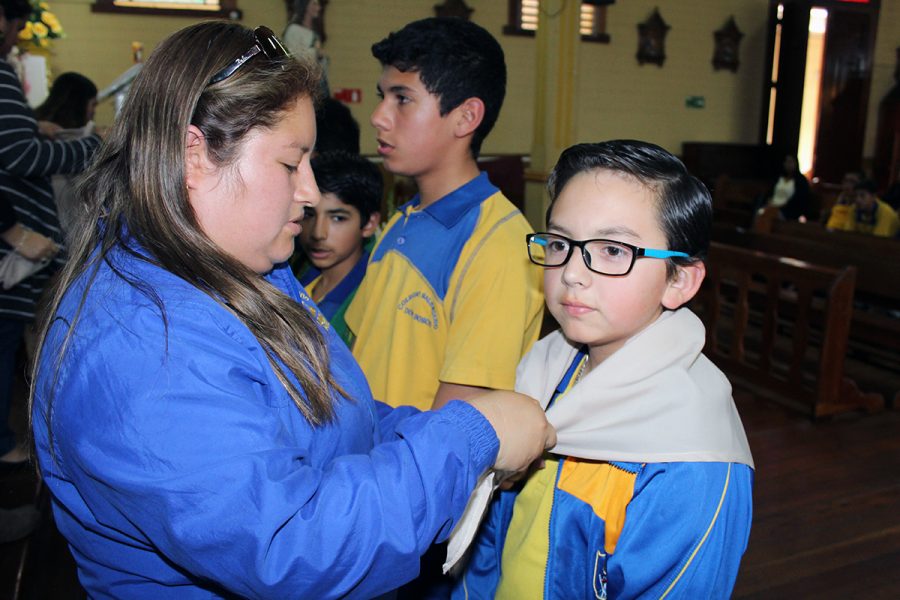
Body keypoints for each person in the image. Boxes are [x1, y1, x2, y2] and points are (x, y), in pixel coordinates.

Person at [29, 22, 555, 598]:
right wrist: (467, 437)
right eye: (290, 164)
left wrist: (445, 435)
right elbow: (291, 543)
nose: (309, 192)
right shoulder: (147, 342)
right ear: (194, 156)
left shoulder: (242, 264)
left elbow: (334, 418)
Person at [452, 140, 755, 599]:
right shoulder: (543, 371)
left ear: (680, 280)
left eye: (613, 250)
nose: (572, 272)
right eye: (559, 243)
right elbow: (489, 539)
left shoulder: (694, 458)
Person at [345, 17, 544, 412]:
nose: (378, 116)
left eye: (402, 99)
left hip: (405, 471)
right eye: (381, 95)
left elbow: (455, 430)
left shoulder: (499, 246)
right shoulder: (402, 221)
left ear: (466, 117)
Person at [0, 0, 100, 467]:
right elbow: (18, 158)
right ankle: (10, 446)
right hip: (22, 253)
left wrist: (34, 133)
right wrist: (91, 147)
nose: (16, 34)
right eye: (15, 22)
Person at [295, 150, 381, 346]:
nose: (318, 233)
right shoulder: (293, 277)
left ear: (369, 224)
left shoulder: (371, 298)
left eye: (337, 218)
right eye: (309, 215)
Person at [33, 71, 100, 238]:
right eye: (92, 104)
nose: (93, 112)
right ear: (78, 104)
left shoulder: (33, 130)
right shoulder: (76, 144)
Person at [826, 178, 900, 237]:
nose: (858, 200)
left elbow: (879, 243)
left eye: (862, 196)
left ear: (873, 197)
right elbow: (848, 235)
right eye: (856, 196)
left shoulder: (886, 213)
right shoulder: (853, 209)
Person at [283, 0, 328, 94]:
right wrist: (315, 51)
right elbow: (294, 57)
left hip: (314, 85)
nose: (318, 8)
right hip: (298, 84)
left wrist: (321, 57)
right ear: (305, 6)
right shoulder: (293, 31)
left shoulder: (314, 33)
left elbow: (321, 65)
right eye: (314, 4)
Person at [757, 153, 809, 221]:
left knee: (770, 214)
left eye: (791, 162)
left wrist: (782, 206)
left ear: (796, 163)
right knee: (761, 211)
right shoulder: (779, 177)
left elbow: (800, 199)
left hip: (787, 210)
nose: (788, 164)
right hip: (772, 205)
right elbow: (770, 192)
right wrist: (768, 201)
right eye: (786, 162)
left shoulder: (801, 180)